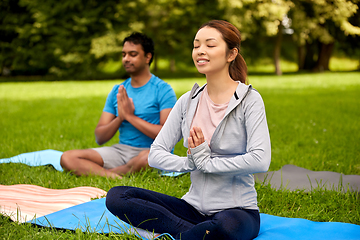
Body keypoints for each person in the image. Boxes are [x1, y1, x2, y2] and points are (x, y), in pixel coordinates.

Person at [105, 20, 271, 240]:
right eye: (196, 45)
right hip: (191, 209)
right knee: (118, 196)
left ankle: (192, 233)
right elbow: (156, 154)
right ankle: (195, 233)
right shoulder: (188, 100)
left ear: (231, 54)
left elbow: (260, 160)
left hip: (237, 212)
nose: (200, 51)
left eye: (210, 45)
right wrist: (190, 163)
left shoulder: (249, 100)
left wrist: (208, 164)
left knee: (224, 227)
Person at [60, 32, 177, 179]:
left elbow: (167, 136)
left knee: (145, 159)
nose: (126, 59)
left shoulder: (163, 90)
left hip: (151, 151)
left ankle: (103, 172)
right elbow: (100, 137)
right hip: (121, 151)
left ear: (148, 57)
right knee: (68, 157)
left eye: (132, 54)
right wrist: (120, 118)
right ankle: (117, 176)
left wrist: (130, 116)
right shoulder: (118, 90)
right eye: (124, 54)